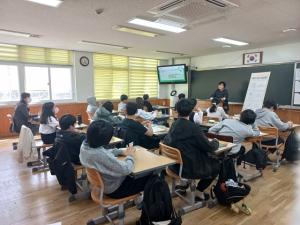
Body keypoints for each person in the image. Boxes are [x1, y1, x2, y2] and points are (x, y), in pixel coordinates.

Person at [164, 99, 220, 201]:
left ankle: (184, 184)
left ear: (177, 111)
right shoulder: (193, 128)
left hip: (175, 166)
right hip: (189, 168)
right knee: (217, 165)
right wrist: (216, 141)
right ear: (191, 111)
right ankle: (199, 191)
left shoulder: (174, 124)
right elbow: (209, 147)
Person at [80, 120, 150, 199]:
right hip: (115, 189)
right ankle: (149, 205)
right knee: (153, 177)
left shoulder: (85, 145)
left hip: (104, 183)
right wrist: (130, 156)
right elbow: (126, 169)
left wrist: (120, 152)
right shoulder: (100, 155)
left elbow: (104, 152)